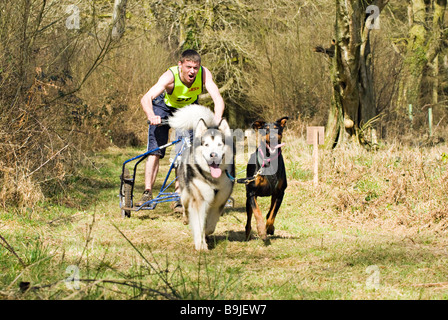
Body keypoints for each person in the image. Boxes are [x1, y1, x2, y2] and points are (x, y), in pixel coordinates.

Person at [138, 49, 225, 211]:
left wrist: (218, 118)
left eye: (195, 67)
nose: (192, 71)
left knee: (186, 151)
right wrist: (151, 115)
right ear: (180, 65)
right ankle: (147, 192)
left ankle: (179, 194)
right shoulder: (170, 76)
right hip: (162, 108)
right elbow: (146, 98)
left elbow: (218, 99)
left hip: (187, 109)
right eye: (189, 67)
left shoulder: (204, 74)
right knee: (155, 151)